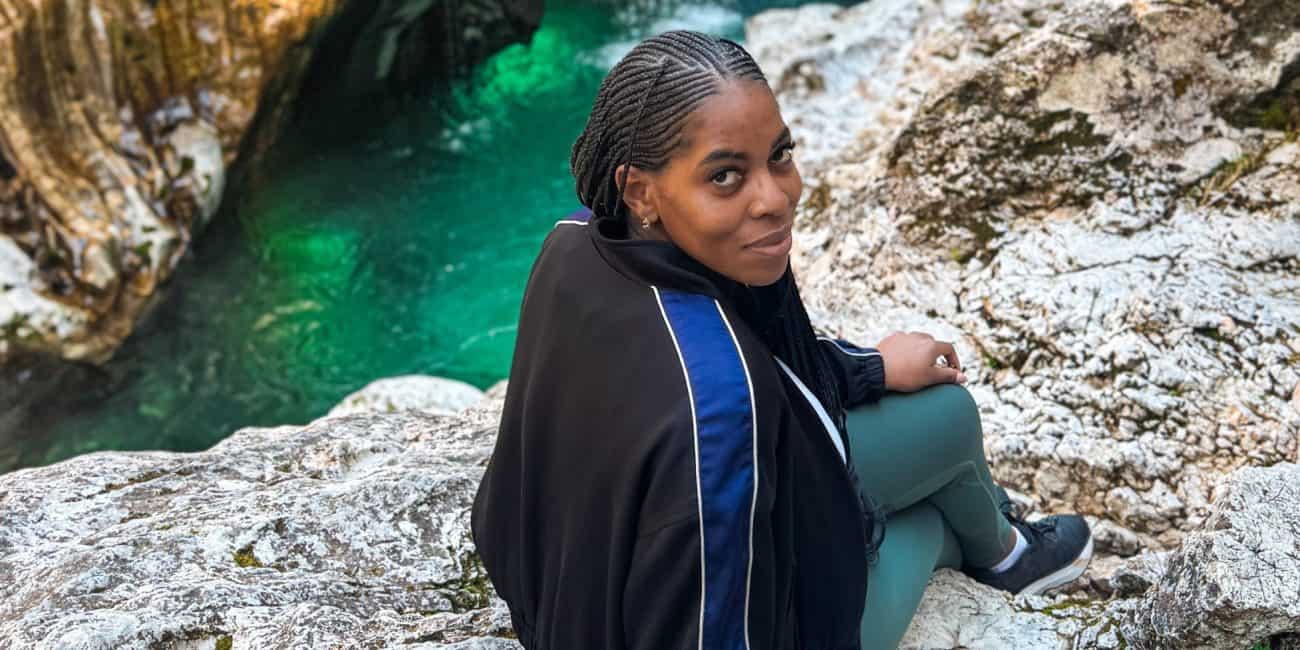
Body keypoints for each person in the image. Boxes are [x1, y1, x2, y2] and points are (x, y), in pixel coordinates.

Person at [470, 30, 1093, 650]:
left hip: (574, 580)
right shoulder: (721, 406)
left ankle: (1005, 553)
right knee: (928, 523)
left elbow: (768, 365)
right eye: (724, 177)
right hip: (677, 611)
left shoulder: (577, 240)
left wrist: (871, 367)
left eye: (779, 155)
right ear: (642, 191)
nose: (774, 198)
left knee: (947, 415)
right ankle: (962, 543)